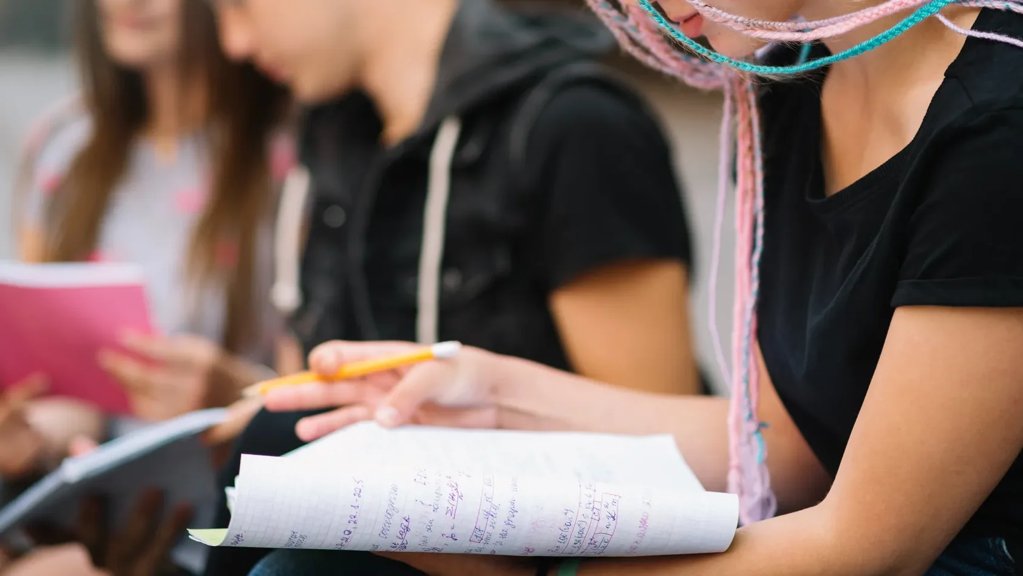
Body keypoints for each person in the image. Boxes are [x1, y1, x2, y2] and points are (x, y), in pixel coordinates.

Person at [245, 0, 1023, 574]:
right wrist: (489, 393)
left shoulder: (998, 125)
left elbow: (869, 548)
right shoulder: (786, 81)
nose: (642, 8)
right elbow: (786, 451)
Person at [204, 0, 701, 573]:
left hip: (528, 551)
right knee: (267, 442)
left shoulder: (573, 124)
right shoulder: (334, 129)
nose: (233, 43)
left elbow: (663, 471)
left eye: (238, 5)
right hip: (378, 523)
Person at [11, 0, 290, 451]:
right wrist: (33, 440)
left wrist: (238, 391)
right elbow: (61, 383)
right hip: (94, 482)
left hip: (234, 479)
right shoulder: (63, 145)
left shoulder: (287, 157)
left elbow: (319, 385)